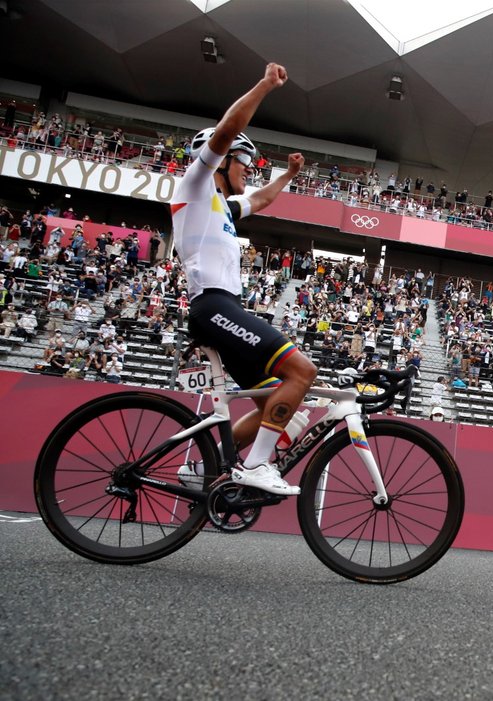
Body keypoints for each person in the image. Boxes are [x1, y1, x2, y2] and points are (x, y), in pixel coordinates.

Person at [171, 63, 316, 496]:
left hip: (226, 310)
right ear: (224, 156)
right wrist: (266, 86)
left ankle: (202, 469)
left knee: (288, 409)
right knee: (302, 372)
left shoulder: (223, 207)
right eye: (246, 160)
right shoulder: (194, 187)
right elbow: (226, 128)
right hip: (214, 307)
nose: (250, 169)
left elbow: (260, 199)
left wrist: (288, 176)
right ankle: (254, 468)